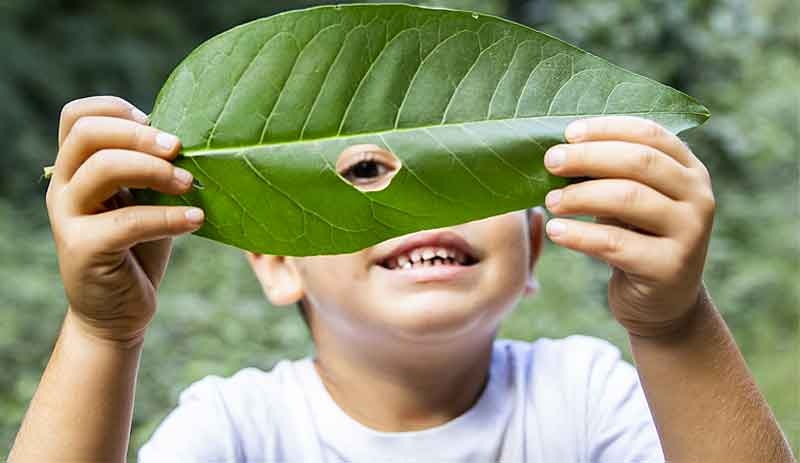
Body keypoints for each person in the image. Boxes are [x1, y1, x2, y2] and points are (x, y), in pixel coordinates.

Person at [9, 96, 794, 462]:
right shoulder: (237, 429)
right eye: (361, 175)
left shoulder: (586, 395)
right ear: (277, 260)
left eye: (464, 180)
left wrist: (675, 323)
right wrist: (101, 332)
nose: (415, 207)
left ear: (536, 246)